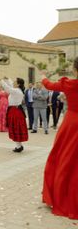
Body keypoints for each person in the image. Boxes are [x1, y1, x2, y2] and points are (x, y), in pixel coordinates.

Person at [42, 57, 78, 219]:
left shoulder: (68, 83)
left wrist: (43, 76)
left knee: (63, 158)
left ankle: (60, 195)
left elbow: (49, 85)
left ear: (75, 69)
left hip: (71, 123)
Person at [1, 77, 28, 152]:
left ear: (18, 84)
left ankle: (19, 146)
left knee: (16, 127)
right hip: (14, 110)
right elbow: (11, 85)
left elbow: (8, 88)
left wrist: (2, 81)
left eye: (15, 82)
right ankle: (19, 146)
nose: (13, 82)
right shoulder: (17, 90)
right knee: (15, 128)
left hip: (15, 111)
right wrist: (8, 79)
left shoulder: (16, 91)